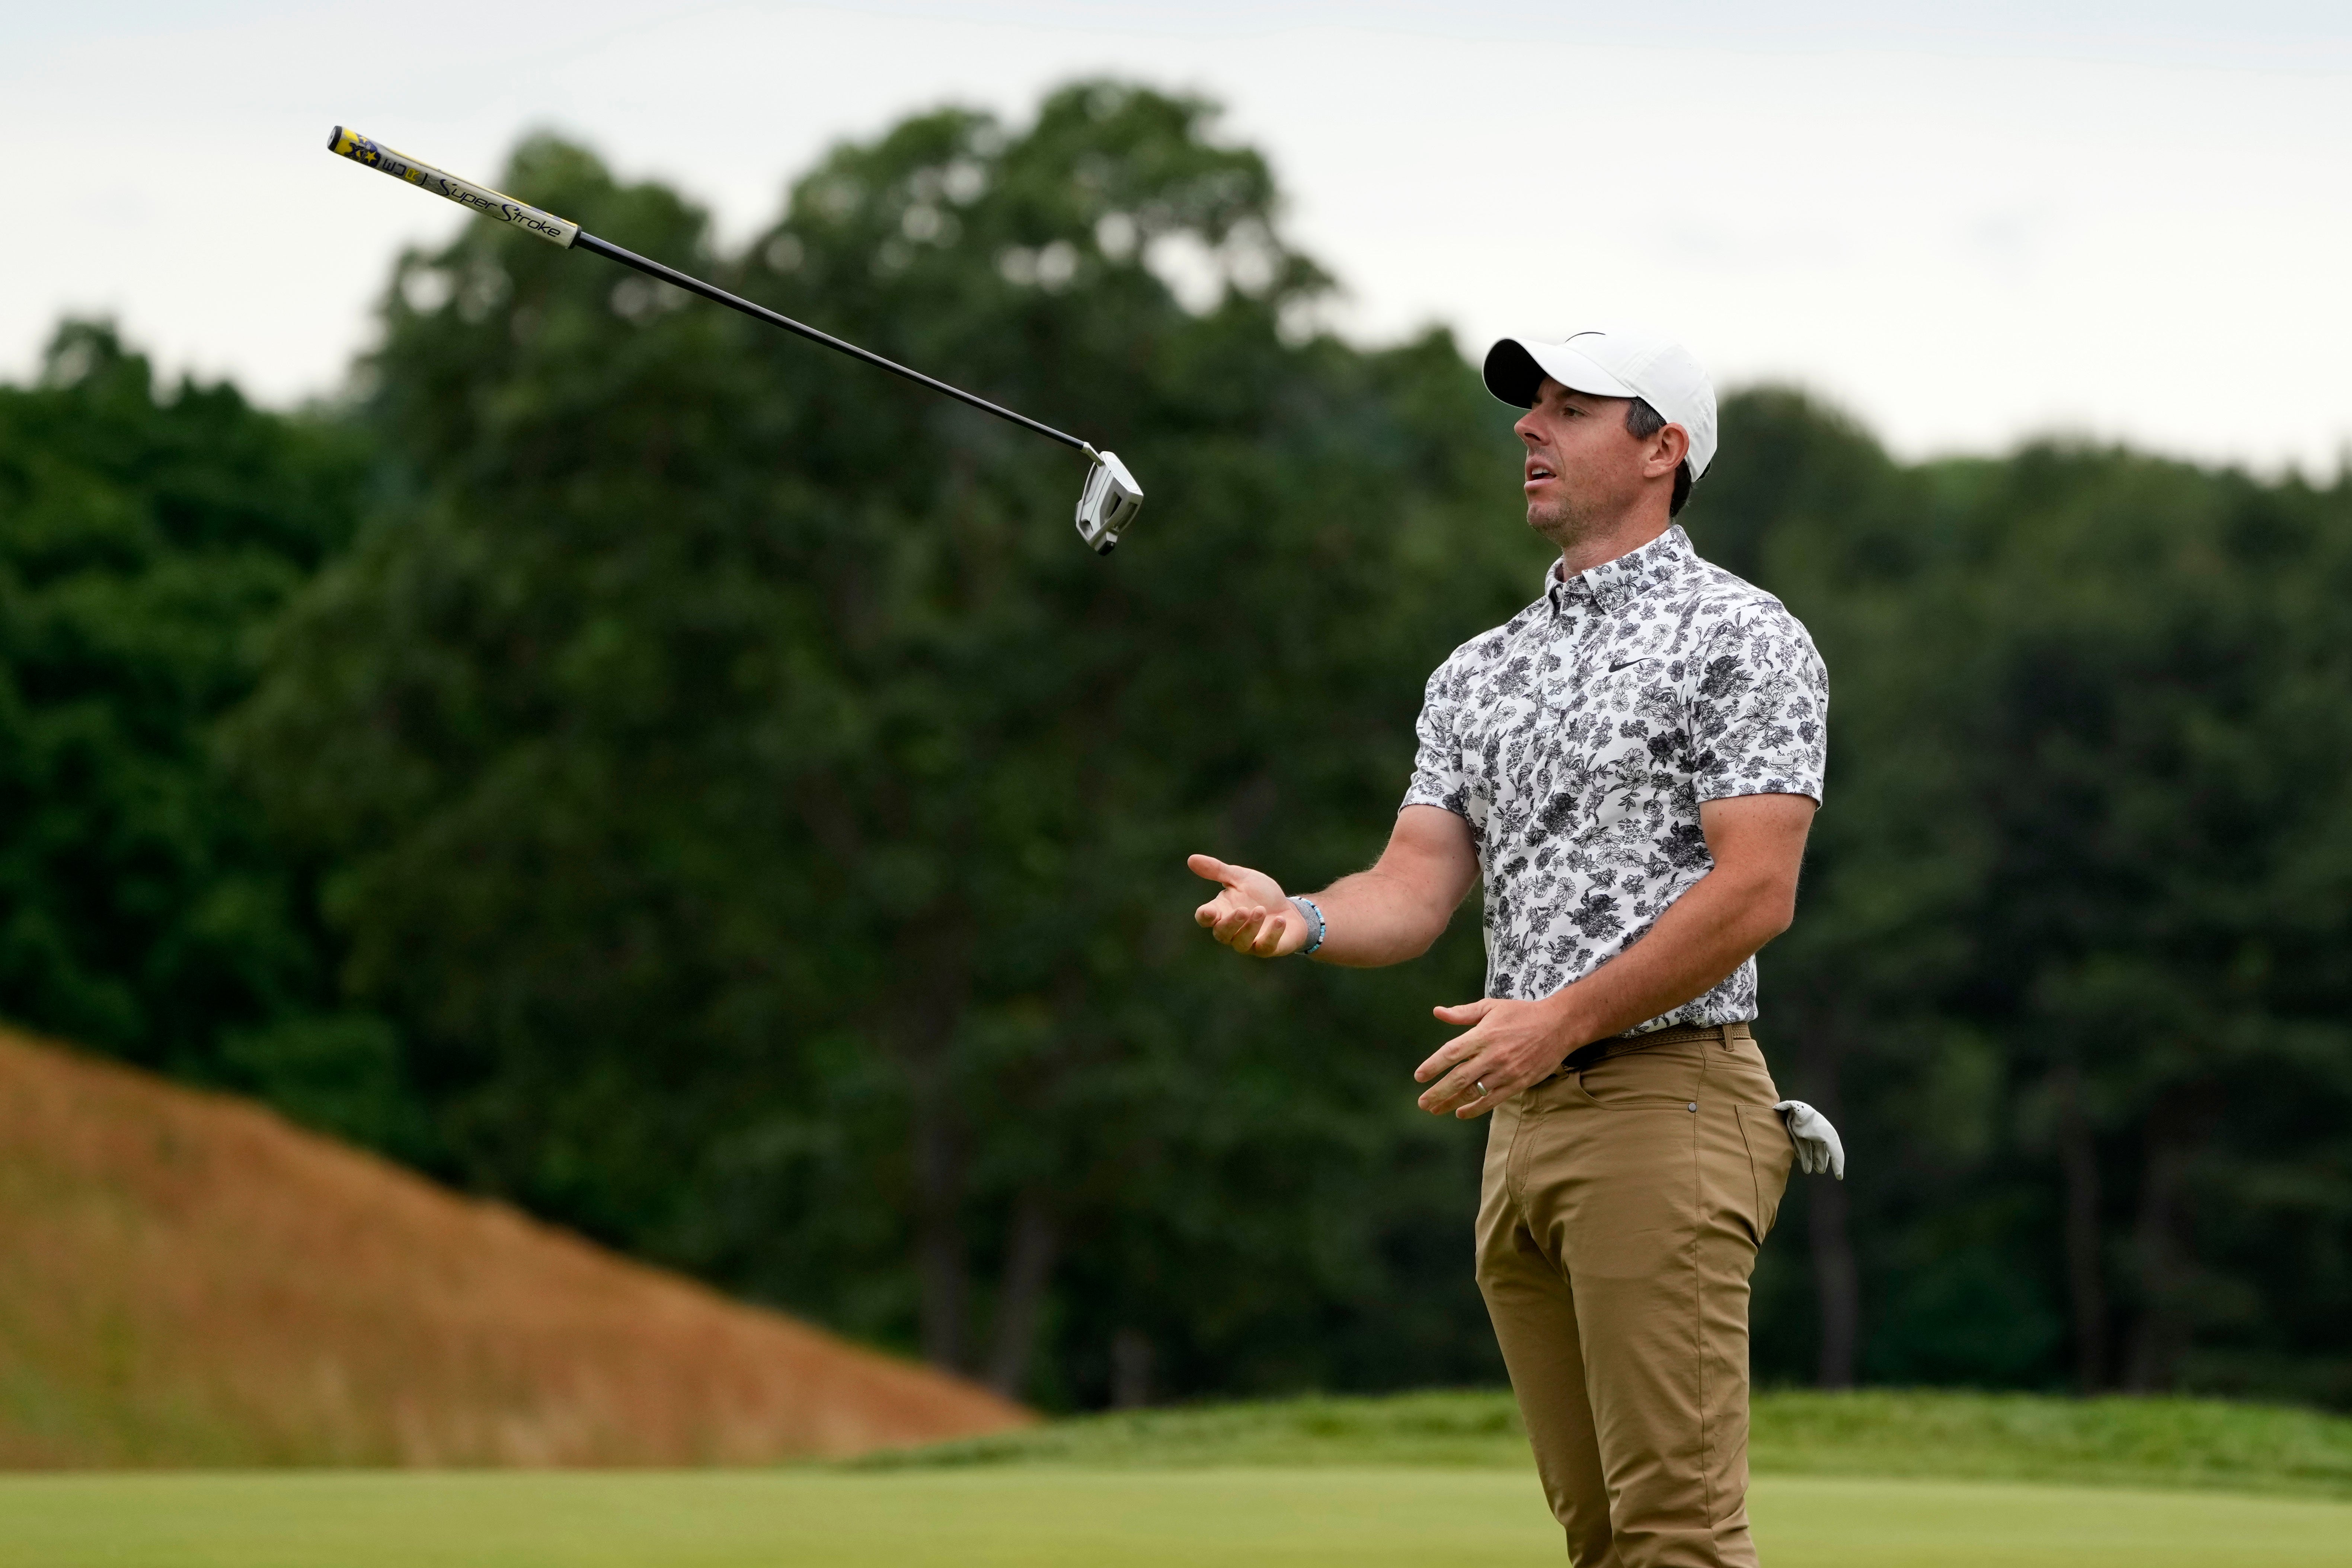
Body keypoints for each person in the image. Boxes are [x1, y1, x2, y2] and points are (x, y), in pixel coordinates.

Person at [1187, 325, 1828, 1567]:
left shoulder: (1743, 637)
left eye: (1573, 409)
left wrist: (1563, 1017)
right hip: (1521, 1126)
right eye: (1530, 408)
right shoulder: (1478, 673)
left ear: (1664, 447)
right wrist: (1303, 916)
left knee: (1679, 1540)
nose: (1530, 429)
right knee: (1600, 1541)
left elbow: (1758, 892)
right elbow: (1411, 891)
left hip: (1669, 1104)